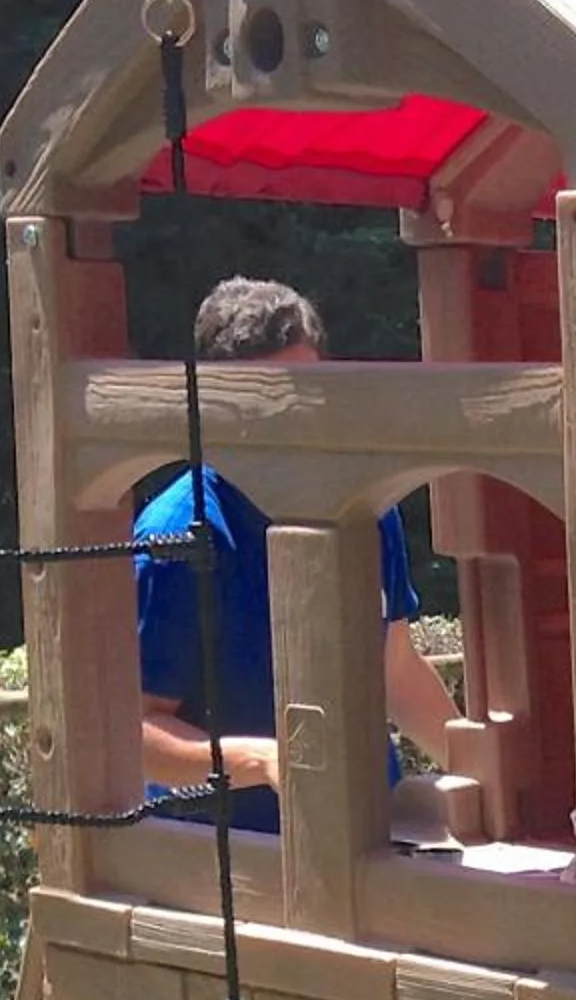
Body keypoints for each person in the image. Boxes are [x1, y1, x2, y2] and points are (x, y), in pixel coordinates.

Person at [134, 277, 462, 833]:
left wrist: (484, 773)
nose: (291, 420)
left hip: (371, 841)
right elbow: (135, 734)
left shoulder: (368, 509)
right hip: (231, 869)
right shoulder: (174, 539)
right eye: (264, 402)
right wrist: (266, 762)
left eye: (304, 395)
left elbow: (396, 668)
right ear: (213, 404)